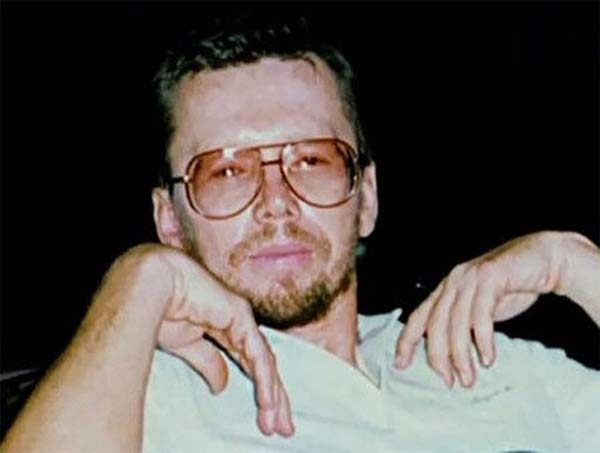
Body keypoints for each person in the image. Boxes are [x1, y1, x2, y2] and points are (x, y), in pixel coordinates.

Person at [3, 14, 599, 453]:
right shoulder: (142, 398)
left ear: (366, 198)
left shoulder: (484, 363)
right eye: (227, 171)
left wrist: (572, 263)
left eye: (312, 160)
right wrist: (137, 279)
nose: (276, 203)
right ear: (170, 221)